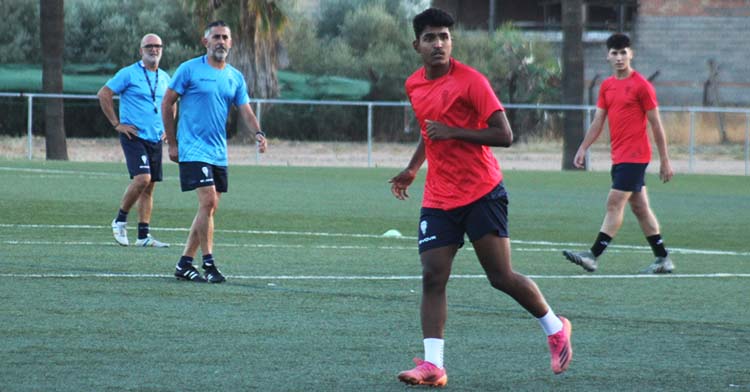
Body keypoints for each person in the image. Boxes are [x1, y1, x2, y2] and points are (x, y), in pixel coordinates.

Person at [389, 8, 572, 387]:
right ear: (416, 45)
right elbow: (429, 132)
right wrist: (412, 168)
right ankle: (434, 366)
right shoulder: (414, 85)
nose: (438, 43)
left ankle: (555, 329)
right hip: (440, 196)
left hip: (481, 192)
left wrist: (454, 131)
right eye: (430, 38)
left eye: (444, 37)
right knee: (432, 275)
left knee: (500, 276)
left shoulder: (471, 81)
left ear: (451, 41)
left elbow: (504, 135)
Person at [162, 20, 267, 283]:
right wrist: (172, 142)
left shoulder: (234, 77)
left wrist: (258, 132)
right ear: (205, 41)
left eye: (225, 37)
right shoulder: (189, 69)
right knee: (208, 202)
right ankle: (209, 264)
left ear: (231, 43)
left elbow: (245, 110)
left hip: (218, 151)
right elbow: (166, 103)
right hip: (192, 147)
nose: (221, 41)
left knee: (209, 208)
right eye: (216, 37)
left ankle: (184, 263)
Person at [562, 33, 675, 274]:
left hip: (636, 156)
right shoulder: (607, 86)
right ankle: (663, 259)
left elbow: (656, 124)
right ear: (608, 56)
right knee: (640, 208)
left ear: (631, 54)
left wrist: (665, 160)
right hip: (620, 156)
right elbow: (598, 121)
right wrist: (583, 147)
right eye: (615, 53)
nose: (619, 57)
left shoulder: (642, 86)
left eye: (624, 52)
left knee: (614, 202)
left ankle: (593, 255)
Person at [98, 33, 171, 248]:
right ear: (141, 50)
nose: (153, 49)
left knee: (149, 187)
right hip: (134, 136)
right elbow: (104, 94)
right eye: (149, 46)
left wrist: (168, 127)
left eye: (157, 46)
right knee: (142, 178)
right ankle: (119, 220)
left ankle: (143, 236)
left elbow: (170, 103)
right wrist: (116, 123)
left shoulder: (166, 77)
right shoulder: (128, 73)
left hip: (155, 137)